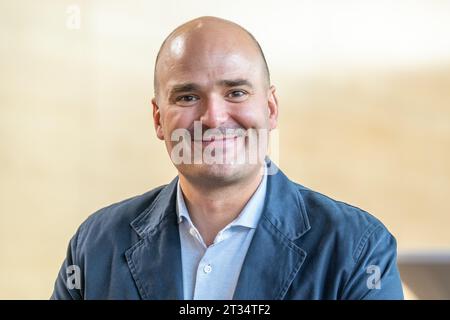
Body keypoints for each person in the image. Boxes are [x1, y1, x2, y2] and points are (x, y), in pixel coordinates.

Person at [51, 16, 404, 300]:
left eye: (235, 92)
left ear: (270, 108)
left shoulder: (358, 249)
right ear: (159, 119)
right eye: (188, 97)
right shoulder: (95, 245)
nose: (215, 118)